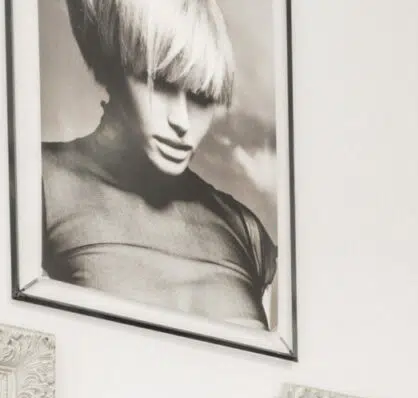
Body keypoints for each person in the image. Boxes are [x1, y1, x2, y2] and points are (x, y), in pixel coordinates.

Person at [43, 0, 275, 328]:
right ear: (112, 68)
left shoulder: (246, 231)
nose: (181, 121)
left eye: (201, 96)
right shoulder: (38, 182)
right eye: (160, 83)